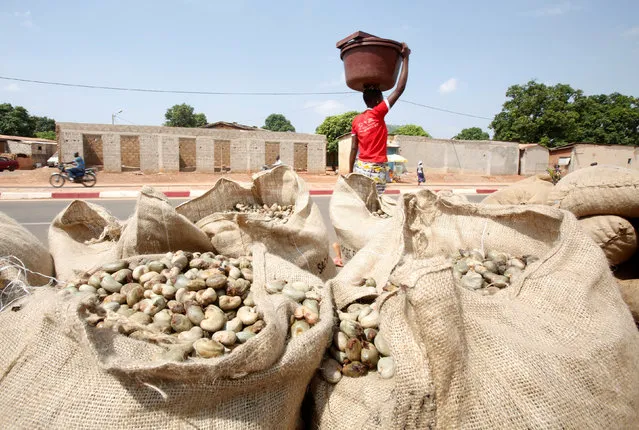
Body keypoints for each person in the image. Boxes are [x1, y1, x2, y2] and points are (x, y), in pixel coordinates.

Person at [349, 43, 410, 195]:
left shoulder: (356, 121)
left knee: (363, 203)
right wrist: (406, 58)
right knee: (377, 205)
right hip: (376, 168)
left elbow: (353, 148)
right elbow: (400, 88)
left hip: (360, 167)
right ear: (378, 101)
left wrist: (351, 172)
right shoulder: (378, 112)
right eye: (382, 97)